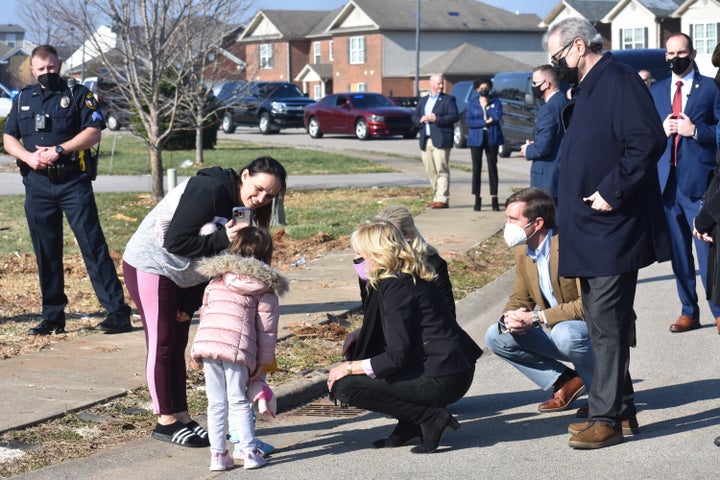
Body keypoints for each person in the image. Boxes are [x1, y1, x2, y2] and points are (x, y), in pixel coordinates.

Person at [544, 17, 669, 449]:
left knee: (608, 328)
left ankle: (607, 420)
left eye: (558, 57)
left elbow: (648, 140)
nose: (556, 65)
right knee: (602, 325)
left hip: (612, 227)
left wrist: (611, 191)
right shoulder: (588, 87)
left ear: (579, 47)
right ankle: (624, 410)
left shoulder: (618, 80)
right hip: (589, 230)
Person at [122, 156, 287, 448]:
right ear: (245, 175)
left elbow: (222, 265)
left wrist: (191, 302)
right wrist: (224, 237)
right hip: (152, 265)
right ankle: (165, 421)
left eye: (269, 196)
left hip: (186, 279)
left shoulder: (246, 210)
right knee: (162, 343)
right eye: (259, 188)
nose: (261, 198)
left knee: (177, 344)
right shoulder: (208, 190)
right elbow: (177, 242)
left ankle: (182, 416)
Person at [2, 44, 132, 336]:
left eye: (51, 67)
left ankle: (117, 313)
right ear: (32, 70)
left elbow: (93, 131)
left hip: (73, 182)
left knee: (92, 246)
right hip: (37, 184)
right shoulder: (23, 98)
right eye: (41, 69)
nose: (47, 73)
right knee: (45, 251)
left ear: (59, 65)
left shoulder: (77, 95)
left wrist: (60, 149)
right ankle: (52, 317)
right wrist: (28, 157)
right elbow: (9, 136)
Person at [328, 220, 482, 454]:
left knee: (345, 387)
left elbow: (396, 357)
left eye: (359, 254)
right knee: (361, 372)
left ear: (375, 254)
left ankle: (429, 417)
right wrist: (361, 333)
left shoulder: (395, 286)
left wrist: (348, 367)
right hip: (452, 369)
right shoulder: (407, 275)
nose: (357, 261)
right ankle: (409, 425)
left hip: (443, 378)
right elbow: (406, 327)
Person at [484, 188, 592, 415]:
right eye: (507, 219)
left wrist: (536, 318)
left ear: (538, 223)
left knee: (565, 332)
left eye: (514, 219)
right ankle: (566, 381)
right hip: (557, 330)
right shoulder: (523, 251)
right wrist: (510, 317)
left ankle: (602, 393)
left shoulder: (571, 245)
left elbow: (589, 304)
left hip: (591, 330)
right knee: (496, 335)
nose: (508, 226)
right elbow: (520, 297)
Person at [190, 227, 289, 471]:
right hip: (237, 351)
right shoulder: (265, 288)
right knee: (239, 400)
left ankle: (218, 456)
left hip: (209, 346)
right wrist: (262, 364)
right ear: (266, 255)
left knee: (215, 403)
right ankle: (248, 451)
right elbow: (267, 332)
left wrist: (196, 350)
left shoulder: (216, 280)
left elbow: (206, 316)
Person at [650, 33, 720, 333]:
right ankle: (688, 311)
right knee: (678, 252)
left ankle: (718, 310)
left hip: (698, 181)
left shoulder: (711, 89)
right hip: (666, 184)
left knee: (707, 252)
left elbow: (718, 131)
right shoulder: (657, 90)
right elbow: (644, 134)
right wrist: (659, 131)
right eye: (669, 53)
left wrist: (696, 131)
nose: (674, 58)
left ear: (691, 53)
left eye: (680, 52)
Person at [343, 205, 455, 362]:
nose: (384, 242)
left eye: (391, 235)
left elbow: (446, 315)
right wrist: (363, 332)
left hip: (416, 345)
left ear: (407, 235)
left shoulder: (428, 266)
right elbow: (372, 313)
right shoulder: (370, 265)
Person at [520, 66, 568, 203]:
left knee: (551, 221)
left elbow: (543, 147)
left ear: (546, 83)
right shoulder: (565, 102)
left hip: (548, 179)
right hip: (563, 174)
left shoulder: (548, 109)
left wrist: (528, 149)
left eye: (535, 83)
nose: (533, 87)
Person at [412, 73, 459, 209]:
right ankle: (436, 195)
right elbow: (414, 115)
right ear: (431, 84)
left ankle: (442, 198)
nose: (441, 86)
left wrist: (436, 119)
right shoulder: (423, 100)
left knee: (441, 170)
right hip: (426, 140)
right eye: (438, 83)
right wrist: (419, 120)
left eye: (442, 83)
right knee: (430, 170)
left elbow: (454, 116)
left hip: (441, 140)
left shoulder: (448, 100)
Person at [466, 78, 504, 211]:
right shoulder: (472, 103)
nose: (484, 91)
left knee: (492, 168)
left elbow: (498, 117)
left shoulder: (495, 101)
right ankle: (477, 198)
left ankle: (494, 197)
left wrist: (488, 106)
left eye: (486, 88)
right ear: (477, 90)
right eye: (481, 88)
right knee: (477, 169)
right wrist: (485, 122)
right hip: (476, 139)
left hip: (492, 138)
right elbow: (470, 122)